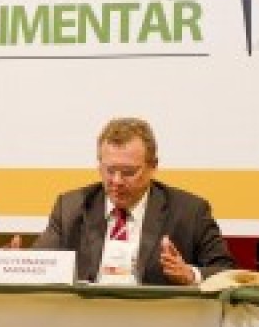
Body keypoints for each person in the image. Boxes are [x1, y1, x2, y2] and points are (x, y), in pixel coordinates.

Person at [32, 117, 235, 285]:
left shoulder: (189, 212)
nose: (117, 181)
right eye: (110, 170)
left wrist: (191, 275)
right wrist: (19, 265)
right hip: (86, 316)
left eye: (128, 172)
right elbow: (39, 265)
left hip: (155, 317)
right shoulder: (70, 207)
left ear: (153, 166)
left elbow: (227, 273)